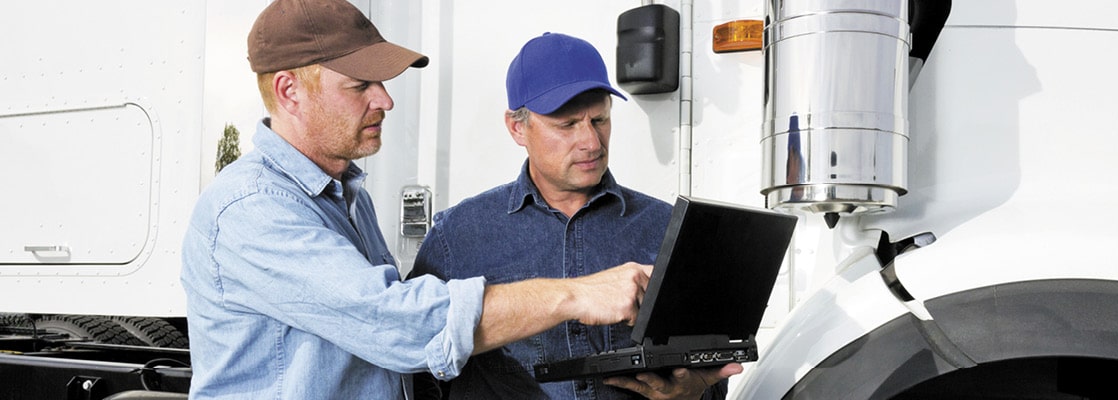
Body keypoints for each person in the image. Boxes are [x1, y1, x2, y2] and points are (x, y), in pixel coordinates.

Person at [180, 2, 654, 399]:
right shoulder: (251, 209)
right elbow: (400, 325)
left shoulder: (344, 195)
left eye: (382, 83)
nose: (385, 101)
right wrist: (576, 294)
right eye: (360, 85)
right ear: (289, 91)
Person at [407, 32, 742, 400]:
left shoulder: (665, 230)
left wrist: (691, 393)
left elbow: (709, 373)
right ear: (518, 127)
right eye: (567, 125)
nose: (592, 143)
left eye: (599, 120)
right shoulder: (458, 236)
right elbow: (416, 365)